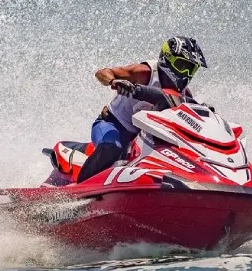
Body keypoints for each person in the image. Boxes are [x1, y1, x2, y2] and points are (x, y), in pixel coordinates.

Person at [76, 36, 207, 183]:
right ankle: (74, 194)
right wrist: (114, 81)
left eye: (191, 69)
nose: (186, 74)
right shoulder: (145, 72)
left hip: (145, 136)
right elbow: (102, 73)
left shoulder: (183, 93)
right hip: (113, 125)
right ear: (167, 59)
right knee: (112, 147)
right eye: (182, 66)